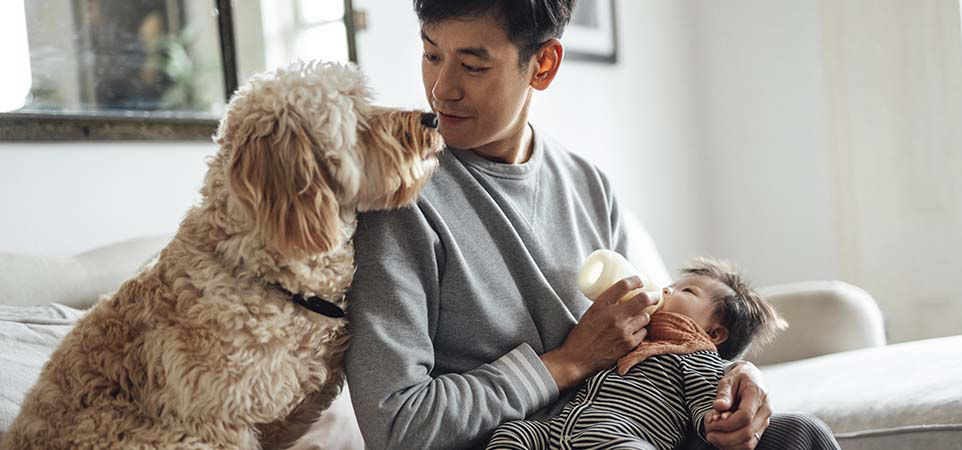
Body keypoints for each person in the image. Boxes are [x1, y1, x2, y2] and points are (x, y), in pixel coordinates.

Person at [344, 1, 836, 448]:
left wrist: (739, 378)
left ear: (543, 64)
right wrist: (567, 362)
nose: (441, 88)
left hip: (627, 432)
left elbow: (665, 340)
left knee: (799, 436)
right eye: (431, 55)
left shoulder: (588, 185)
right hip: (517, 442)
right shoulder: (400, 198)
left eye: (473, 65)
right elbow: (396, 425)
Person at [486, 258, 839, 450]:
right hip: (555, 430)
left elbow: (710, 399)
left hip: (623, 436)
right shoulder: (626, 337)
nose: (667, 289)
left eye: (686, 291)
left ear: (715, 333)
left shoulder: (691, 355)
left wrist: (715, 419)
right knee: (511, 435)